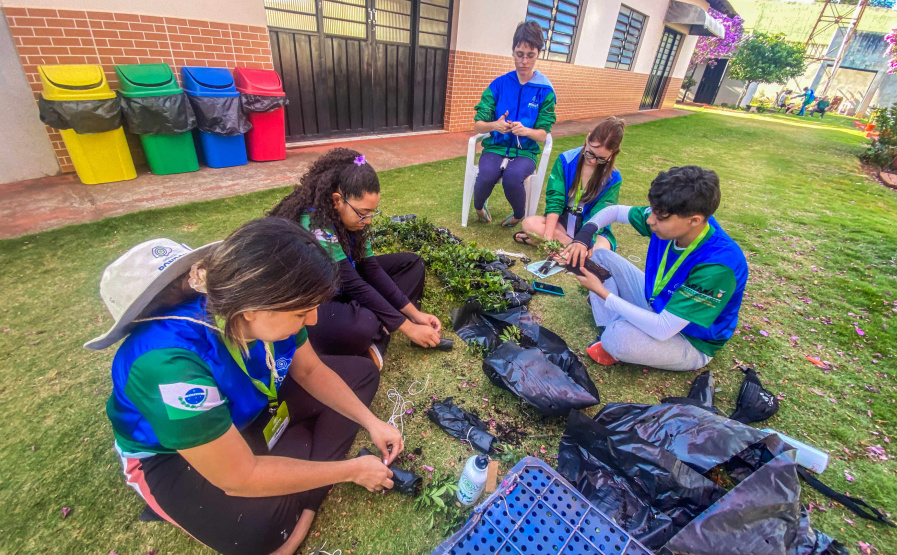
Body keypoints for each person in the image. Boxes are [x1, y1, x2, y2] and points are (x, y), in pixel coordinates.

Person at [85, 218, 403, 555]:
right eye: (302, 313)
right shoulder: (167, 365)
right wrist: (351, 470)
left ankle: (300, 481)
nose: (311, 320)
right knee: (259, 528)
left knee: (361, 375)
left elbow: (310, 371)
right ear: (252, 310)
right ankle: (305, 485)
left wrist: (372, 422)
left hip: (245, 415)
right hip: (171, 455)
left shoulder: (272, 302)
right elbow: (238, 477)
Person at [561, 166, 748, 372]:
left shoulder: (718, 265)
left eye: (660, 218)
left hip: (689, 339)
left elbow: (663, 328)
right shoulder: (674, 215)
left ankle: (616, 329)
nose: (650, 220)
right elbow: (615, 211)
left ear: (694, 220)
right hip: (656, 302)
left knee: (617, 339)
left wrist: (603, 294)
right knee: (599, 256)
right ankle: (617, 323)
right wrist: (585, 234)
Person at [269, 148, 442, 368]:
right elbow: (352, 283)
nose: (368, 220)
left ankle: (382, 323)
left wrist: (415, 315)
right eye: (363, 213)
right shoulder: (313, 223)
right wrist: (407, 327)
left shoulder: (354, 219)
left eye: (372, 212)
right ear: (337, 200)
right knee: (364, 323)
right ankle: (377, 329)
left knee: (412, 264)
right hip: (316, 301)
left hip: (344, 284)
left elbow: (370, 269)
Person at [472, 20, 557, 227]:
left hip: (526, 153)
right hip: (496, 147)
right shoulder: (499, 84)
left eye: (530, 55)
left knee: (512, 178)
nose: (524, 61)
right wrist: (495, 126)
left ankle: (519, 215)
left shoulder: (545, 90)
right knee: (486, 175)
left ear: (538, 54)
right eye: (519, 54)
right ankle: (479, 208)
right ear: (513, 51)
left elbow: (543, 135)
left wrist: (526, 130)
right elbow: (478, 126)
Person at [516, 117, 626, 252]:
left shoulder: (613, 178)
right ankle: (575, 252)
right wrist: (549, 239)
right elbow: (555, 200)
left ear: (613, 154)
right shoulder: (565, 160)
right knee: (529, 223)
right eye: (590, 153)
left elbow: (601, 215)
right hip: (563, 223)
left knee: (601, 249)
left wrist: (584, 241)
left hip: (589, 231)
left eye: (602, 159)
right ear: (588, 138)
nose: (592, 161)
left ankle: (570, 249)